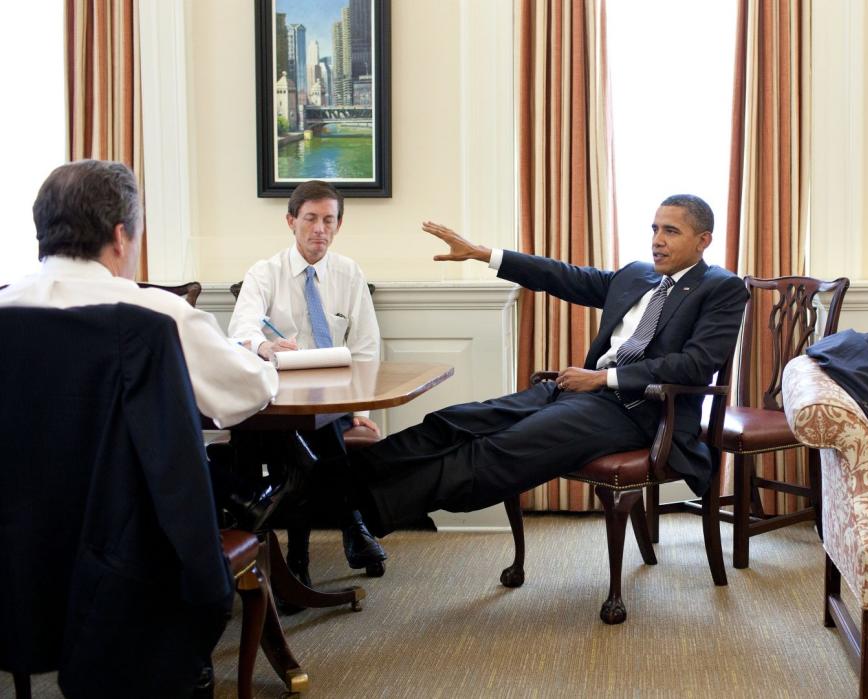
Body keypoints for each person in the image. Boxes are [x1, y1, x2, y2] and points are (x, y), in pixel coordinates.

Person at [0, 158, 281, 691]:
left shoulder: (5, 307)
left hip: (18, 549)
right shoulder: (154, 318)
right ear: (122, 234)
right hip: (124, 563)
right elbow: (249, 389)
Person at [322, 194, 748, 537]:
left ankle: (348, 508)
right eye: (654, 229)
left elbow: (695, 365)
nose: (657, 240)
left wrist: (604, 377)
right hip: (577, 392)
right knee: (453, 422)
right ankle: (331, 483)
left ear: (702, 240)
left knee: (495, 451)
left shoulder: (719, 288)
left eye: (670, 231)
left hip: (642, 411)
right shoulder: (638, 275)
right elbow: (561, 275)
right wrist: (483, 253)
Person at [228, 179, 388, 586]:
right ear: (291, 221)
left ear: (338, 225)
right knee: (303, 439)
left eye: (329, 220)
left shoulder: (349, 273)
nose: (320, 228)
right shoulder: (265, 273)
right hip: (275, 399)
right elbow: (241, 328)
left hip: (333, 399)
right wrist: (266, 347)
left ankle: (295, 564)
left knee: (315, 432)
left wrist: (360, 410)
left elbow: (367, 349)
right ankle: (351, 526)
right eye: (311, 218)